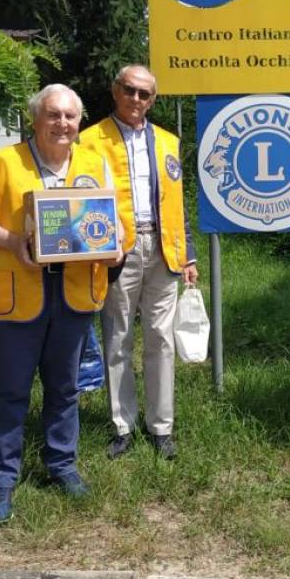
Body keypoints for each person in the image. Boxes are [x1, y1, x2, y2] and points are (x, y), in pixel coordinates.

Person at [0, 84, 120, 523]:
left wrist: (115, 247)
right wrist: (14, 242)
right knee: (10, 391)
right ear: (35, 119)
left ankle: (61, 465)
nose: (63, 124)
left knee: (65, 387)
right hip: (18, 293)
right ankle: (2, 479)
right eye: (54, 115)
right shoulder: (3, 162)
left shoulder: (95, 163)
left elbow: (110, 222)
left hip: (72, 292)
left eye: (71, 117)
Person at [81, 65, 197, 461]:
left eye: (145, 94)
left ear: (153, 100)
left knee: (161, 340)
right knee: (117, 339)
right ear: (116, 90)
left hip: (163, 250)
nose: (136, 99)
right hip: (116, 252)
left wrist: (189, 255)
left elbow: (177, 202)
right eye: (130, 90)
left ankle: (161, 428)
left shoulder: (167, 141)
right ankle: (122, 426)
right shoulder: (88, 140)